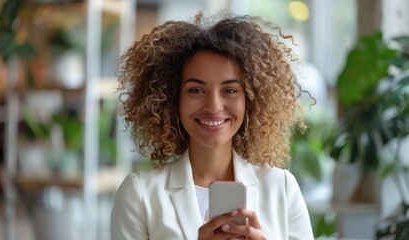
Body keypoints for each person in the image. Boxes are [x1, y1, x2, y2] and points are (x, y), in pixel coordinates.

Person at [111, 12, 314, 240]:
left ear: (251, 99)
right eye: (196, 90)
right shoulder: (140, 194)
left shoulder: (282, 188)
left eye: (230, 90)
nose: (214, 106)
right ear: (171, 98)